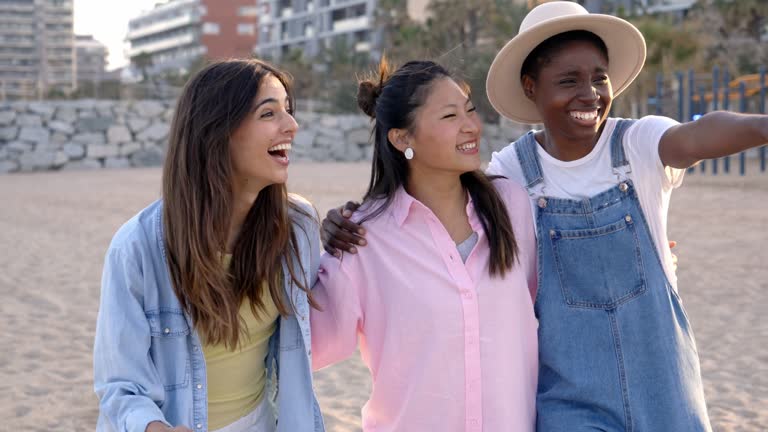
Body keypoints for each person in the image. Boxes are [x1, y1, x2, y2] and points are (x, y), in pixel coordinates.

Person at [322, 2, 768, 430]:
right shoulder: (513, 175)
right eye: (569, 80)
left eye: (599, 78)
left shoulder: (635, 145)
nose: (589, 93)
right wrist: (341, 224)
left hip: (665, 377)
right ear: (532, 86)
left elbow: (698, 135)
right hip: (568, 396)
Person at [93, 59, 325, 432]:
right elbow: (119, 385)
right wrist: (155, 428)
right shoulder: (136, 249)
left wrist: (361, 232)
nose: (292, 126)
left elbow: (328, 327)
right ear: (217, 131)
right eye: (269, 113)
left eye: (288, 110)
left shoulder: (299, 227)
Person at [310, 59, 539, 431]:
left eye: (470, 111)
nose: (471, 127)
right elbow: (312, 344)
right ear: (402, 139)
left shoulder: (512, 205)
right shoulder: (363, 238)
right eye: (450, 117)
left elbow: (549, 306)